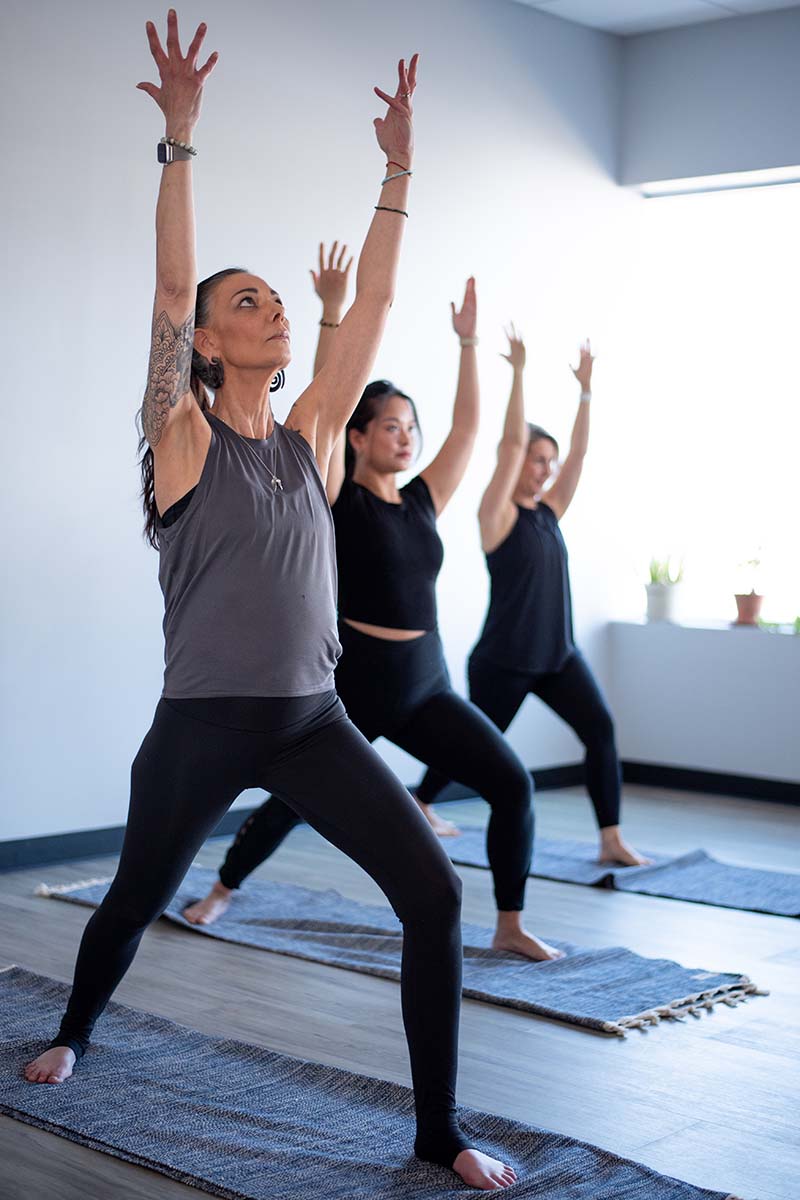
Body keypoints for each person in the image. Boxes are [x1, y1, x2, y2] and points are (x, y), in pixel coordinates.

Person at [23, 14, 516, 1189]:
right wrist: (179, 141)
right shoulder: (179, 437)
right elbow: (163, 283)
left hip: (309, 717)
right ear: (202, 341)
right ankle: (75, 1026)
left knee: (433, 894)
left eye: (276, 306)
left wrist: (396, 170)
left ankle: (437, 1130)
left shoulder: (308, 440)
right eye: (246, 305)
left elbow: (378, 306)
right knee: (133, 902)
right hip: (200, 725)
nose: (273, 313)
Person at [184, 261, 562, 966]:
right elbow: (328, 398)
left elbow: (474, 431)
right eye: (390, 426)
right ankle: (224, 888)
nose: (406, 437)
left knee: (513, 783)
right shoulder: (332, 494)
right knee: (292, 801)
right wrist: (330, 315)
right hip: (355, 684)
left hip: (425, 684)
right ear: (358, 437)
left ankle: (508, 922)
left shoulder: (424, 500)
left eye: (410, 427)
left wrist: (470, 348)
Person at [415, 327, 649, 867]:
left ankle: (611, 838)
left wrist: (585, 392)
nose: (546, 470)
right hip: (505, 662)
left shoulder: (550, 511)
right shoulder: (497, 516)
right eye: (537, 459)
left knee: (601, 730)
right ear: (517, 462)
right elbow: (508, 444)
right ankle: (422, 801)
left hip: (558, 657)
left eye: (550, 462)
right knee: (471, 743)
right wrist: (519, 372)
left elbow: (581, 454)